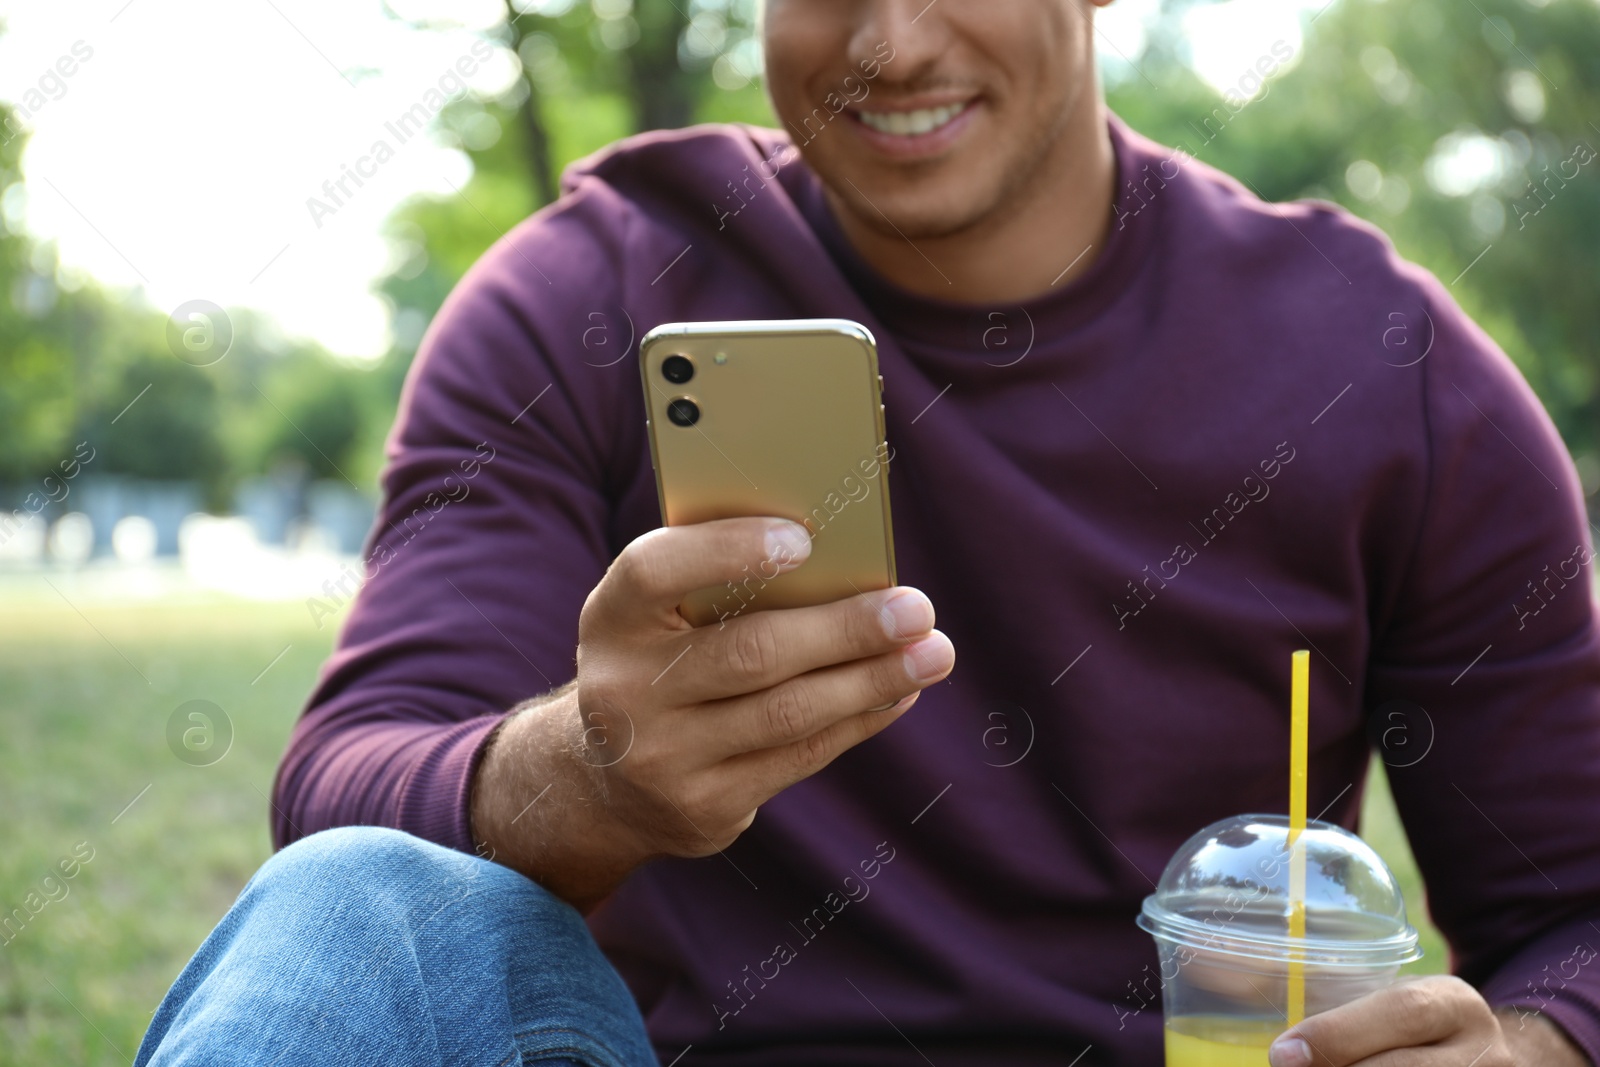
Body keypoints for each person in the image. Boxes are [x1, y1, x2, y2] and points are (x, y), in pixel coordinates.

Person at [136, 1, 1600, 1065]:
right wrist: (591, 776)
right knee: (347, 900)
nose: (888, 44)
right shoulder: (585, 293)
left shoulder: (1391, 372)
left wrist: (1518, 1056)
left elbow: (1574, 918)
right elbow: (340, 796)